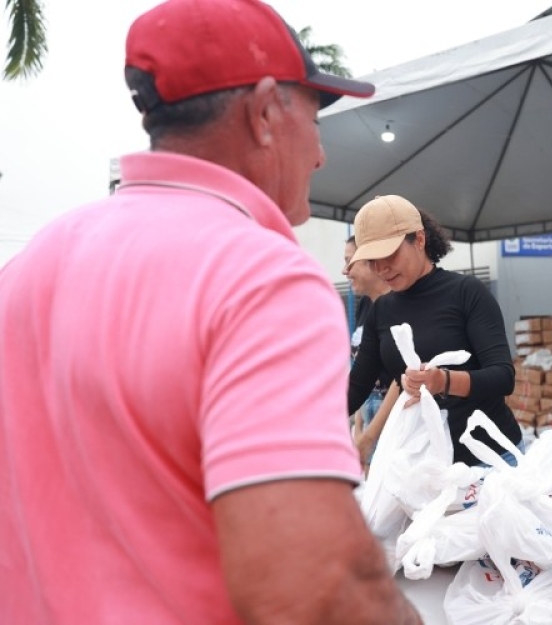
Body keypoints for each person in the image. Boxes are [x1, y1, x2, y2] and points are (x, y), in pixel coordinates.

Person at [0, 1, 420, 623]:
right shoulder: (261, 275)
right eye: (316, 120)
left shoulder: (33, 265)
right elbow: (312, 586)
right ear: (264, 113)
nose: (321, 156)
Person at [346, 195, 523, 466]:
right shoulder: (380, 311)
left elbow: (502, 377)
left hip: (490, 459)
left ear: (419, 239)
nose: (381, 268)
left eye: (389, 254)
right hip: (425, 468)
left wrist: (444, 381)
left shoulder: (466, 293)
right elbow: (356, 387)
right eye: (371, 260)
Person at [343, 235, 395, 467]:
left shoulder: (398, 307)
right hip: (367, 407)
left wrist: (371, 434)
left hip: (391, 412)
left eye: (349, 261)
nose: (345, 270)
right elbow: (361, 370)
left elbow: (405, 377)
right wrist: (360, 425)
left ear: (370, 260)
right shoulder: (365, 305)